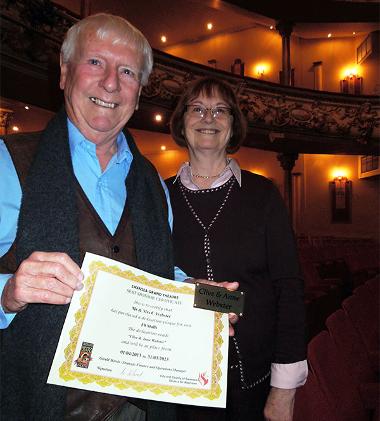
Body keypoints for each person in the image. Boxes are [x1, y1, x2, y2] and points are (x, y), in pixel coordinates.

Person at [0, 13, 197, 421]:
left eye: (127, 71)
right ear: (64, 73)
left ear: (139, 93)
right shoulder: (8, 162)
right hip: (37, 405)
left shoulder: (153, 184)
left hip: (140, 408)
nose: (111, 83)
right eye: (95, 63)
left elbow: (157, 277)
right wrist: (9, 293)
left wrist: (202, 301)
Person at [166, 77, 308, 421]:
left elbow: (289, 288)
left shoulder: (263, 195)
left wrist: (284, 390)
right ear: (182, 123)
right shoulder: (160, 196)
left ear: (233, 126)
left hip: (252, 380)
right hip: (177, 377)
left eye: (220, 111)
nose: (208, 118)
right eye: (197, 109)